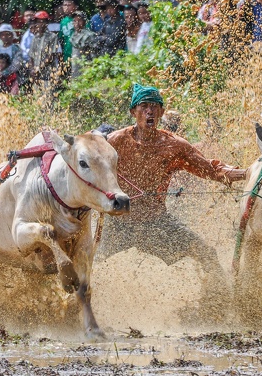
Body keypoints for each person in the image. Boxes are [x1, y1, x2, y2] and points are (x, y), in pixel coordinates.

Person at [101, 84, 246, 283]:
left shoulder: (174, 145)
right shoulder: (114, 141)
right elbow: (87, 161)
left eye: (154, 106)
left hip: (156, 222)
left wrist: (246, 173)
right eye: (144, 106)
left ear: (161, 112)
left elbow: (209, 168)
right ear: (133, 111)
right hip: (119, 223)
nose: (149, 111)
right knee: (93, 263)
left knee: (206, 253)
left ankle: (218, 306)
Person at [27, 11, 62, 86]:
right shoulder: (35, 38)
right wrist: (32, 69)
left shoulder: (52, 37)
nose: (40, 24)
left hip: (48, 75)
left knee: (48, 95)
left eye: (42, 22)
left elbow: (51, 56)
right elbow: (31, 56)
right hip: (36, 77)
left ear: (46, 23)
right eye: (38, 22)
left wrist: (39, 69)